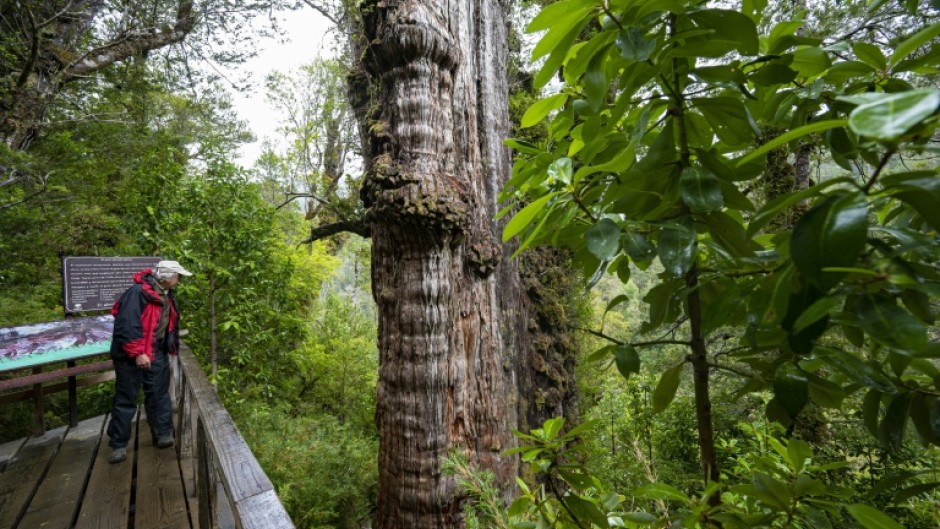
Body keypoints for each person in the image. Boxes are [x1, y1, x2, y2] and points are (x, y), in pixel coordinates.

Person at [107, 260, 192, 464]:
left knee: (159, 394)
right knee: (127, 398)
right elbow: (127, 325)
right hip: (132, 353)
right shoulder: (137, 293)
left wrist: (169, 345)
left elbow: (168, 322)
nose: (179, 280)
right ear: (166, 277)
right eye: (177, 276)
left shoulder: (167, 294)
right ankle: (118, 445)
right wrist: (137, 353)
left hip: (157, 350)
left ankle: (162, 434)